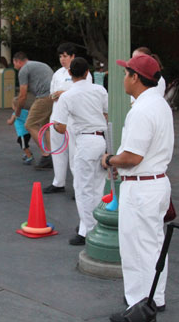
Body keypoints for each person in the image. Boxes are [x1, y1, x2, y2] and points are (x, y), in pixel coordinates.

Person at [100, 54, 173, 321]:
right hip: (155, 182)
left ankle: (140, 304)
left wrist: (109, 159)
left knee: (136, 247)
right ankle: (155, 298)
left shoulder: (143, 109)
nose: (123, 78)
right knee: (152, 244)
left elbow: (132, 157)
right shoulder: (158, 104)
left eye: (125, 73)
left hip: (142, 186)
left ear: (135, 78)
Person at [52, 57, 108, 245]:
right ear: (87, 73)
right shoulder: (100, 90)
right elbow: (106, 114)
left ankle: (88, 229)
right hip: (100, 139)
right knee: (98, 185)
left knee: (82, 188)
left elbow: (59, 126)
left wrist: (69, 126)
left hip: (84, 141)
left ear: (70, 73)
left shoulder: (67, 96)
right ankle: (93, 225)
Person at [44, 43, 92, 194]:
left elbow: (84, 92)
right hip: (57, 115)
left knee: (74, 153)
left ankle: (78, 186)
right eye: (60, 56)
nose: (62, 59)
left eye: (65, 56)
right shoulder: (57, 73)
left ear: (72, 56)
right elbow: (51, 94)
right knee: (57, 150)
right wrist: (55, 95)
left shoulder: (84, 73)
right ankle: (58, 182)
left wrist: (63, 93)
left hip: (73, 118)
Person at [12, 52, 54, 170]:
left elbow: (23, 95)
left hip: (44, 97)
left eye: (14, 63)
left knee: (30, 124)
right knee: (46, 126)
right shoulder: (38, 64)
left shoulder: (23, 70)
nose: (14, 66)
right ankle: (51, 155)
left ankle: (46, 155)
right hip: (54, 96)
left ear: (17, 61)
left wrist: (18, 111)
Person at [7, 97, 33, 165]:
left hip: (22, 133)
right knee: (23, 142)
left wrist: (8, 121)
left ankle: (29, 157)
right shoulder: (26, 111)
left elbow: (11, 122)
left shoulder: (15, 114)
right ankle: (28, 153)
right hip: (28, 132)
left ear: (14, 106)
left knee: (24, 146)